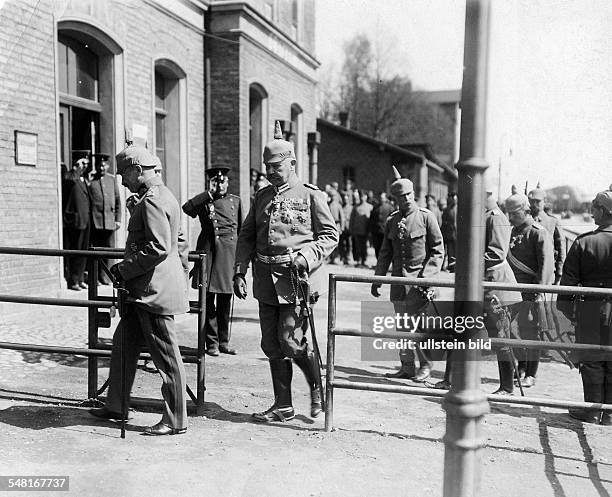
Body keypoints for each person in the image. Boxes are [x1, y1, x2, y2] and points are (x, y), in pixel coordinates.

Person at [233, 121, 338, 422]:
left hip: (295, 280)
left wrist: (307, 256)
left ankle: (317, 388)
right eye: (267, 166)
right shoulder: (262, 197)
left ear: (292, 163)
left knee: (291, 341)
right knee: (271, 344)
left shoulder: (310, 195)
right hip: (265, 280)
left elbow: (330, 235)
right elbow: (247, 235)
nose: (270, 171)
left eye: (276, 166)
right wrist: (240, 270)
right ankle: (284, 405)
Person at [90, 145, 190, 436]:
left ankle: (175, 419)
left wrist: (125, 268)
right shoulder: (159, 196)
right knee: (123, 345)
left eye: (124, 174)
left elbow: (158, 246)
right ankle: (116, 405)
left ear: (137, 170)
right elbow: (178, 242)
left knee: (166, 357)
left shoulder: (152, 201)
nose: (121, 181)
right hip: (145, 289)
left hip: (152, 291)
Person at [371, 167, 444, 382]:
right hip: (398, 283)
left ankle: (426, 365)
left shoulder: (426, 217)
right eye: (401, 197)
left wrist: (426, 278)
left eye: (408, 195)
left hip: (420, 283)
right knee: (402, 327)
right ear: (395, 199)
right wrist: (378, 279)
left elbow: (438, 249)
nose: (406, 200)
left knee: (420, 327)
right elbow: (385, 252)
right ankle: (407, 366)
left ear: (414, 194)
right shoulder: (392, 220)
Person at [558, 190, 612, 425]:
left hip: (591, 308)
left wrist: (568, 313)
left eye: (595, 208)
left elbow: (567, 286)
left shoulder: (584, 242)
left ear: (602, 211)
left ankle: (591, 410)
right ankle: (609, 414)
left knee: (591, 359)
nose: (592, 212)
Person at [183, 167, 242, 356]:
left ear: (228, 183)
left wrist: (241, 263)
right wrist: (208, 193)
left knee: (225, 299)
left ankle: (224, 341)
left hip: (228, 254)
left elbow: (241, 231)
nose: (220, 186)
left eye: (223, 182)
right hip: (209, 252)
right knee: (208, 300)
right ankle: (212, 343)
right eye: (216, 182)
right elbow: (187, 208)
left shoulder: (236, 201)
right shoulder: (204, 201)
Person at [504, 193, 554, 388]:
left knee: (532, 333)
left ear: (525, 210)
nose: (510, 218)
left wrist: (539, 291)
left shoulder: (538, 232)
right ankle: (522, 366)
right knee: (513, 332)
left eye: (514, 213)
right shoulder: (512, 231)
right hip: (512, 290)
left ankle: (530, 374)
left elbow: (546, 266)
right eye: (508, 213)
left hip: (531, 291)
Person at [88, 153, 122, 284]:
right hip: (95, 222)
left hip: (109, 221)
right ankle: (96, 277)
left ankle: (106, 276)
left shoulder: (111, 179)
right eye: (99, 165)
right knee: (96, 251)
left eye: (104, 165)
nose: (102, 168)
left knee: (108, 251)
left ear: (107, 166)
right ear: (96, 166)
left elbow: (118, 200)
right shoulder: (91, 179)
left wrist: (118, 219)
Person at [63, 154, 92, 290]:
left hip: (85, 221)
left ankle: (80, 278)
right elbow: (68, 181)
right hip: (75, 221)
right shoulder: (71, 177)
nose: (85, 166)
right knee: (76, 251)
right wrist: (75, 169)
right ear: (75, 164)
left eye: (86, 164)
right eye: (82, 163)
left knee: (83, 251)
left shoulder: (83, 179)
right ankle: (73, 280)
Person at [528, 184, 565, 284]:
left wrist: (559, 272)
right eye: (531, 201)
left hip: (547, 272)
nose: (534, 204)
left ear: (545, 201)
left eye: (538, 201)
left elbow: (560, 249)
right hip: (527, 272)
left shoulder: (552, 221)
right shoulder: (525, 220)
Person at [349, 190, 373, 266]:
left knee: (364, 246)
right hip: (357, 230)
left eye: (363, 196)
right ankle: (358, 260)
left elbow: (372, 220)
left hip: (366, 230)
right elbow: (352, 219)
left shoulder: (370, 207)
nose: (362, 198)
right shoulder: (355, 207)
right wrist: (351, 229)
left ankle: (364, 260)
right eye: (361, 196)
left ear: (366, 197)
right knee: (357, 246)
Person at [369, 192, 394, 258]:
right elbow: (371, 219)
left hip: (385, 231)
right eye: (380, 198)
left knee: (385, 248)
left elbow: (393, 219)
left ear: (385, 198)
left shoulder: (390, 208)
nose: (381, 199)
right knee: (377, 247)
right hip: (376, 231)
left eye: (382, 198)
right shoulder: (375, 207)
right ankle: (378, 262)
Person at [327, 190, 345, 264]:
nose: (333, 198)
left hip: (337, 225)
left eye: (334, 196)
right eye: (332, 196)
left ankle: (337, 258)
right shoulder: (328, 205)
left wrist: (342, 227)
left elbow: (342, 218)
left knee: (337, 243)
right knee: (329, 242)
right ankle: (331, 258)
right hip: (329, 225)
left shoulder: (338, 206)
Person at [441, 192, 457, 272]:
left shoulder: (459, 208)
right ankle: (452, 267)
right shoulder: (447, 209)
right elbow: (444, 222)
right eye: (451, 198)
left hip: (457, 235)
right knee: (450, 252)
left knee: (456, 252)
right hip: (449, 235)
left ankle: (455, 267)